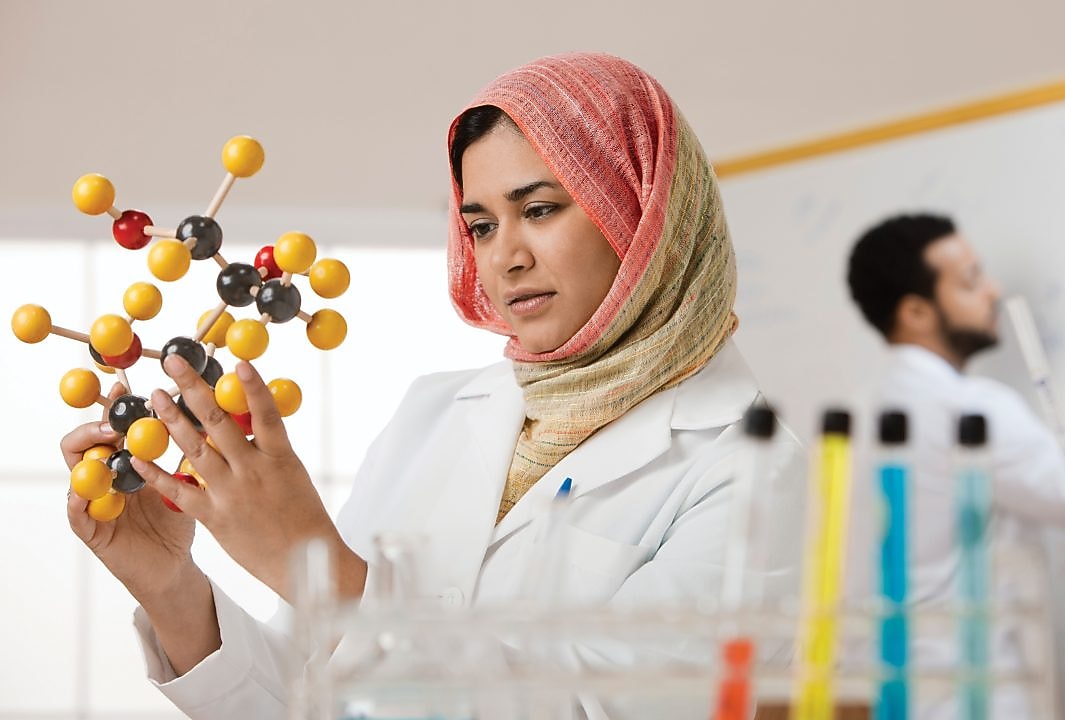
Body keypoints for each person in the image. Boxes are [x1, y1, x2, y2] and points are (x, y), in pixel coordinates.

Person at [59, 53, 805, 719]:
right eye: (480, 225)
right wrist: (170, 588)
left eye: (539, 210)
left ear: (646, 213)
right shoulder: (438, 411)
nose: (505, 257)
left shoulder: (759, 472)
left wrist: (317, 568)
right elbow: (305, 698)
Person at [845, 212, 1065, 717]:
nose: (993, 290)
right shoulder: (964, 410)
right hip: (966, 700)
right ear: (916, 312)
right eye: (970, 281)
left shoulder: (862, 410)